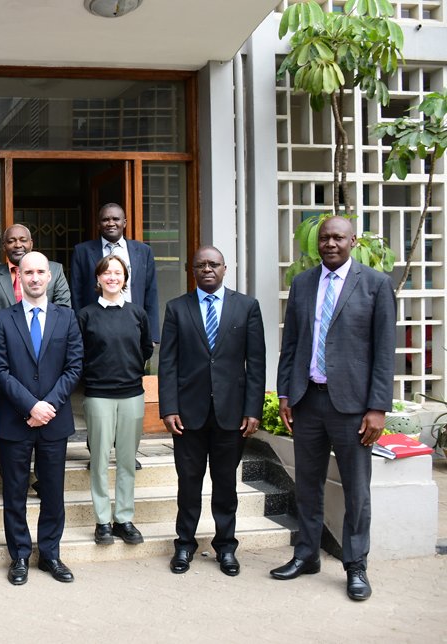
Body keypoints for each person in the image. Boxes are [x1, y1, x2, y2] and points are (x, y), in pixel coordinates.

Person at [272, 216, 395, 602]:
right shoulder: (303, 283)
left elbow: (384, 351)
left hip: (353, 408)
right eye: (324, 238)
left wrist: (377, 407)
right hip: (308, 400)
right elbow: (291, 343)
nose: (329, 244)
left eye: (337, 238)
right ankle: (307, 554)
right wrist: (285, 394)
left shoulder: (375, 284)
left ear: (353, 241)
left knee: (356, 490)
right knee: (307, 484)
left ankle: (355, 565)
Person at [158, 246, 265, 576]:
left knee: (225, 484)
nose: (207, 269)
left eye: (213, 264)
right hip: (188, 415)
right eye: (201, 265)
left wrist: (253, 409)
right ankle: (185, 544)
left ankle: (226, 547)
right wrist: (169, 407)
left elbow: (256, 363)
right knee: (188, 484)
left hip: (231, 414)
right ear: (192, 271)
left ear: (224, 268)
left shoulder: (246, 307)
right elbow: (168, 363)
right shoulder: (177, 308)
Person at [0, 251, 82, 585]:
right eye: (28, 272)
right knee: (14, 493)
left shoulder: (67, 318)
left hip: (54, 421)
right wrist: (30, 406)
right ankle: (19, 556)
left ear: (50, 277)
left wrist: (47, 406)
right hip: (15, 421)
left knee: (53, 493)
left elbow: (74, 366)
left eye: (41, 272)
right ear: (20, 277)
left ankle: (50, 554)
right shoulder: (3, 319)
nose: (35, 278)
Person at [77, 255, 153, 545]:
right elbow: (79, 354)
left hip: (132, 394)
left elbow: (145, 348)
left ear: (125, 278)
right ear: (98, 278)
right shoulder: (86, 315)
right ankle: (102, 521)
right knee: (98, 461)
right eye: (106, 272)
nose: (112, 277)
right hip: (99, 395)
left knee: (126, 461)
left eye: (118, 272)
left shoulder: (137, 314)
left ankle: (123, 518)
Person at [70, 203, 160, 341]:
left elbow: (151, 293)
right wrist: (78, 331)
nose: (111, 223)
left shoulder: (143, 251)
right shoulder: (82, 251)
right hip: (95, 328)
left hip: (134, 325)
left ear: (124, 223)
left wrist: (152, 335)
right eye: (105, 220)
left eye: (116, 219)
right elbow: (76, 293)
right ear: (98, 224)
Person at [0, 224, 71, 331]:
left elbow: (63, 310)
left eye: (23, 240)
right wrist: (16, 333)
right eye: (11, 241)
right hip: (7, 340)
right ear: (4, 246)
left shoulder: (55, 270)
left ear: (31, 244)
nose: (18, 245)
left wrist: (37, 330)